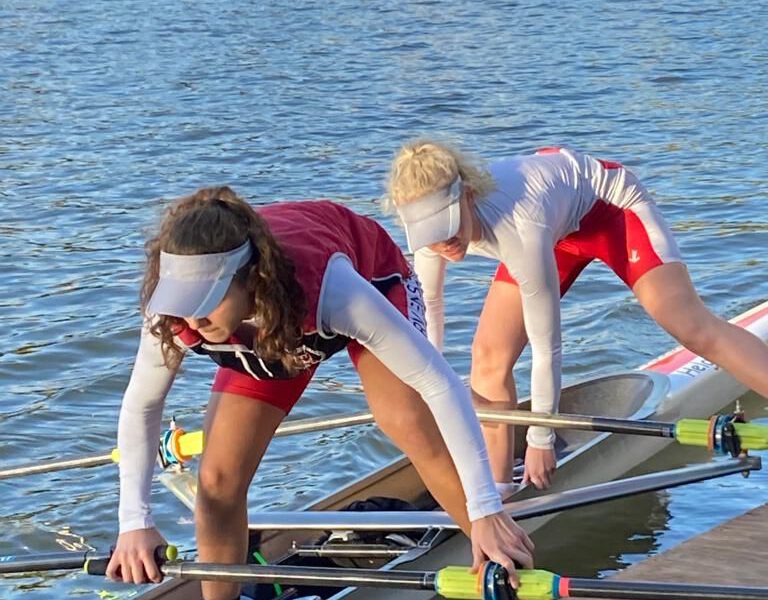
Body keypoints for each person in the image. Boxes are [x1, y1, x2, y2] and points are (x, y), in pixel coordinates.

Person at [105, 186, 534, 600]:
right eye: (185, 299)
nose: (193, 318)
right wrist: (134, 524)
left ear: (250, 277)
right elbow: (142, 406)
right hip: (275, 332)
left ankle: (499, 549)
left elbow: (438, 383)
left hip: (369, 277)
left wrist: (485, 508)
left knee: (406, 421)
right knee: (216, 484)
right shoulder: (172, 311)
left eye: (207, 298)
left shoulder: (333, 288)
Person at [386, 140, 768, 494]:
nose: (443, 242)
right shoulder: (432, 238)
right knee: (488, 359)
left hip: (608, 209)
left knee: (691, 328)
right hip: (553, 223)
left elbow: (546, 345)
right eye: (431, 234)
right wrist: (433, 388)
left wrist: (541, 437)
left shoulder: (520, 227)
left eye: (449, 225)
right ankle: (498, 495)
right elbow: (430, 311)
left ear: (467, 196)